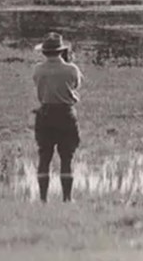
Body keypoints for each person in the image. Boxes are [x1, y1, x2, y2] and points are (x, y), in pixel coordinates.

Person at [32, 32, 83, 202]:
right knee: (67, 157)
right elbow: (76, 85)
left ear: (45, 52)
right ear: (61, 51)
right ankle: (67, 198)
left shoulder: (38, 69)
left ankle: (43, 199)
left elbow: (37, 84)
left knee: (44, 157)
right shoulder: (71, 69)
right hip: (65, 114)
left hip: (45, 114)